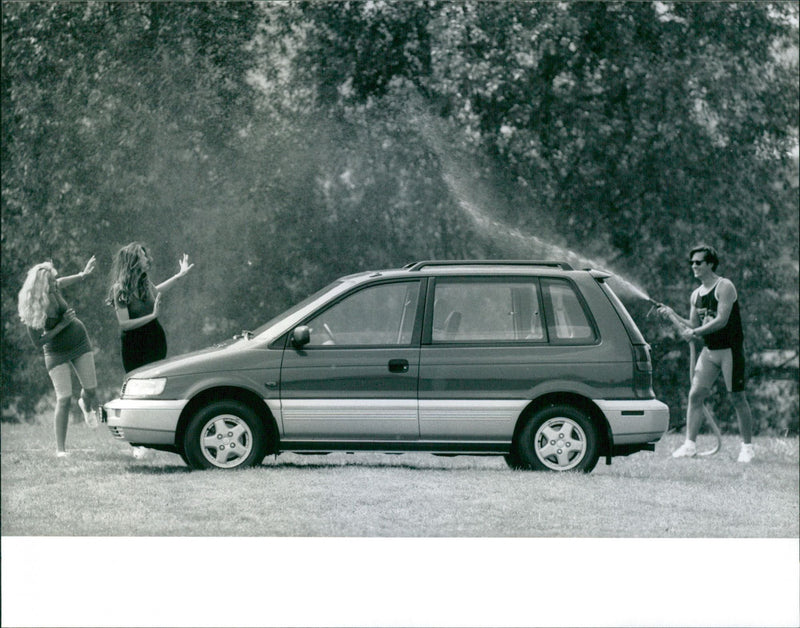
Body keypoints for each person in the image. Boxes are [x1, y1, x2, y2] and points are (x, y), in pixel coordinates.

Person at [659, 245, 755, 463]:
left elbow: (721, 320)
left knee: (737, 397)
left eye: (698, 262)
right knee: (695, 396)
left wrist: (694, 332)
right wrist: (673, 314)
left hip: (729, 351)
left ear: (710, 263)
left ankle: (747, 448)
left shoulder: (725, 286)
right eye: (692, 262)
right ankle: (689, 445)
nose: (694, 266)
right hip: (709, 352)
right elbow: (693, 323)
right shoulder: (696, 295)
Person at [17, 257, 100, 457]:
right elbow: (38, 342)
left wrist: (82, 275)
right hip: (55, 352)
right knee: (63, 399)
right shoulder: (32, 308)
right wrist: (61, 326)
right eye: (52, 283)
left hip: (79, 341)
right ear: (40, 287)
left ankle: (86, 406)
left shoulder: (54, 288)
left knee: (91, 390)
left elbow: (62, 282)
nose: (56, 284)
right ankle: (60, 450)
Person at [106, 242, 193, 373]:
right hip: (133, 345)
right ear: (133, 261)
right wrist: (152, 316)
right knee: (137, 381)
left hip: (154, 338)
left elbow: (156, 292)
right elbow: (124, 324)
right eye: (143, 256)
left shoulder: (144, 282)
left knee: (157, 379)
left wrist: (179, 276)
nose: (147, 259)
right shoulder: (119, 289)